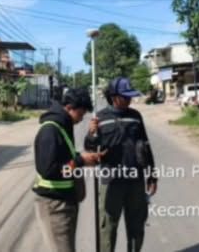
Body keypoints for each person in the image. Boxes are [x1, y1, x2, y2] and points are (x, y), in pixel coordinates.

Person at [85, 77, 157, 252]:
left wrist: (152, 175)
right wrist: (91, 134)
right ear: (114, 96)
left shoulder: (135, 116)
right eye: (125, 96)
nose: (129, 100)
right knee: (108, 229)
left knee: (136, 227)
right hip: (111, 182)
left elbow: (145, 145)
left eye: (130, 96)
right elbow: (89, 149)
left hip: (135, 180)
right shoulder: (100, 118)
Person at [33, 88, 103, 252]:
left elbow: (65, 159)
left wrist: (85, 159)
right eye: (81, 113)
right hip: (54, 205)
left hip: (65, 202)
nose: (81, 118)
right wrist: (80, 161)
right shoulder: (50, 130)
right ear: (70, 107)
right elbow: (49, 170)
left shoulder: (63, 126)